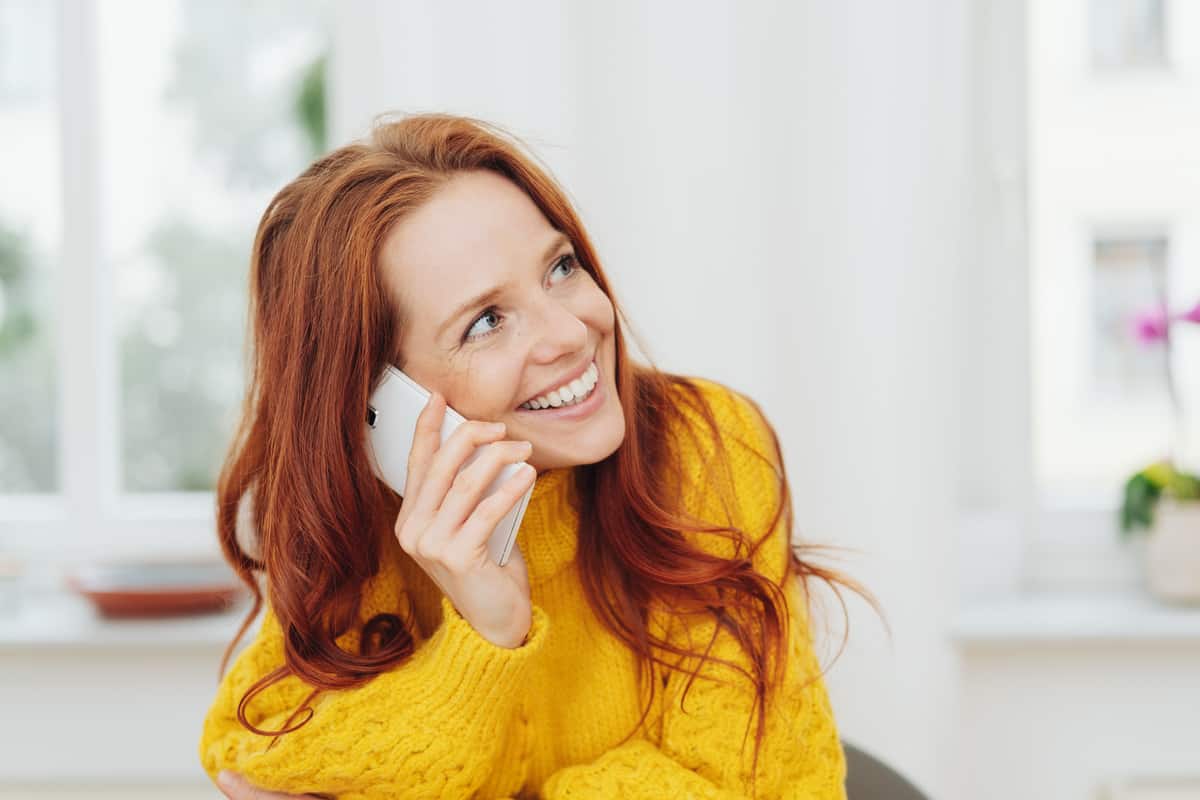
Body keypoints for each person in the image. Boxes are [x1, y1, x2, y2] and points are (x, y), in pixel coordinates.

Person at [199, 112, 869, 799]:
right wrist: (487, 634)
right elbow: (246, 756)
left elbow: (747, 785)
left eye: (560, 267)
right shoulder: (369, 524)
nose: (571, 331)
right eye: (486, 322)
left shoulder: (703, 445)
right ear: (378, 398)